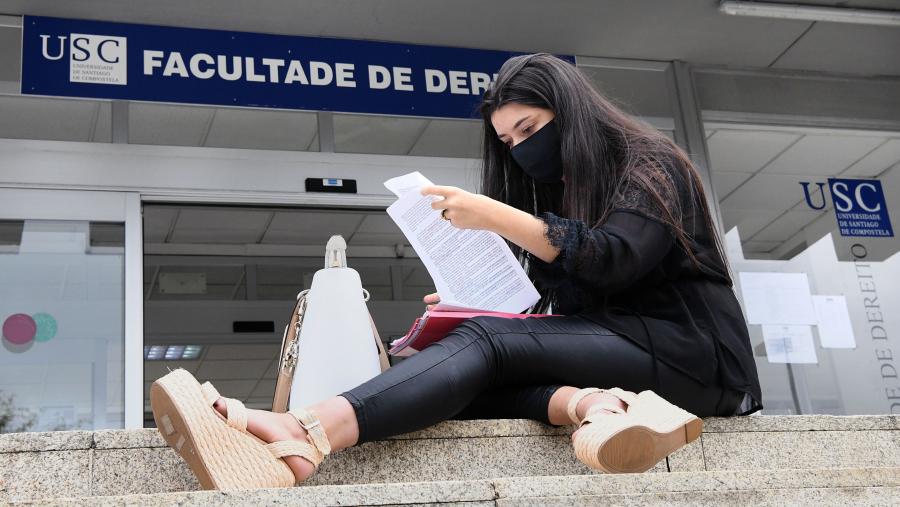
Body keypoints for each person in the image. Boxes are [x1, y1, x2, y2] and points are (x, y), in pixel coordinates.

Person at [150, 53, 762, 490]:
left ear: (571, 113)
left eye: (530, 129)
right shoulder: (564, 191)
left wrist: (501, 219)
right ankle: (591, 406)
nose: (520, 148)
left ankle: (302, 434)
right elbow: (575, 298)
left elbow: (615, 259)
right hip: (626, 352)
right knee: (438, 374)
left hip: (697, 357)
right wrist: (473, 298)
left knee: (489, 347)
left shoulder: (650, 163)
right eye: (507, 140)